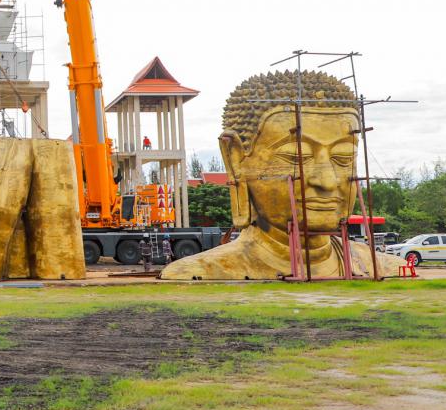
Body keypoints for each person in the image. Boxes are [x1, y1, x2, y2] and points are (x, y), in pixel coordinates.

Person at [161, 71, 405, 280]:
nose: (326, 181)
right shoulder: (202, 271)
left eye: (343, 158)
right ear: (235, 161)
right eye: (296, 157)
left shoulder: (382, 265)